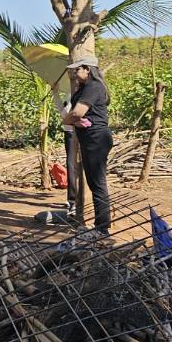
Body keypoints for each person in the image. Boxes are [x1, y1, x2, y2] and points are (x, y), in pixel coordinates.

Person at [60, 58, 113, 233]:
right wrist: (72, 120)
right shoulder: (84, 88)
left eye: (77, 70)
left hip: (96, 138)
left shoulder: (94, 87)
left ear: (87, 69)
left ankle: (102, 227)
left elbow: (77, 112)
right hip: (90, 138)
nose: (74, 73)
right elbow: (75, 115)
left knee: (97, 183)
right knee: (94, 182)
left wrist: (67, 120)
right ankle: (101, 225)